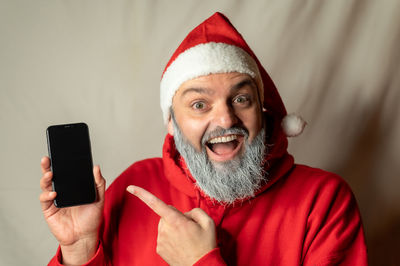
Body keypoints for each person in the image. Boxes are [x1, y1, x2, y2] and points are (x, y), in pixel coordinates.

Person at [39, 12, 368, 266]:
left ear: (263, 110)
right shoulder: (135, 186)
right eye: (199, 104)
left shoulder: (323, 202)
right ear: (172, 122)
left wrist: (200, 262)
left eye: (241, 99)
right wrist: (79, 249)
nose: (225, 119)